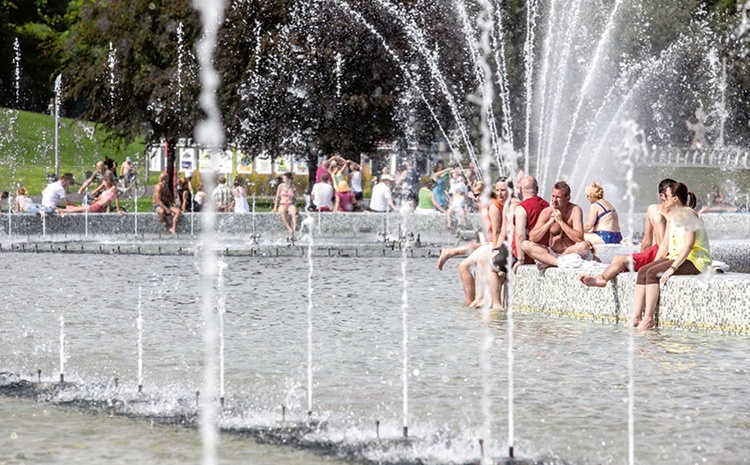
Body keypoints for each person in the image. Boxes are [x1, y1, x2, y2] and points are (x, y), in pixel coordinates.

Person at [630, 181, 711, 330]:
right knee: (644, 271)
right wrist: (651, 264)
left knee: (654, 273)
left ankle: (648, 319)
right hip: (677, 256)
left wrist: (672, 269)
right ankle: (636, 317)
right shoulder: (672, 217)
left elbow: (689, 245)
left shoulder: (689, 214)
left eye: (665, 196)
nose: (662, 199)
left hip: (695, 260)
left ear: (675, 199)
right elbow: (664, 246)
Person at [580, 178, 675, 288]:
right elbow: (647, 239)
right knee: (617, 258)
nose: (675, 199)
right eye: (674, 195)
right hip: (651, 252)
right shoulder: (653, 209)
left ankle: (602, 278)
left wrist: (651, 265)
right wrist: (640, 256)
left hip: (659, 256)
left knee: (620, 259)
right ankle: (604, 277)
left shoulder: (665, 216)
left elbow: (664, 247)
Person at [521, 180, 590, 269]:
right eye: (553, 196)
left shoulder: (575, 210)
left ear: (567, 198)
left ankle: (550, 262)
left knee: (584, 246)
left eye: (558, 197)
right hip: (554, 254)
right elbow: (533, 238)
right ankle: (556, 262)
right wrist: (549, 223)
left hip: (572, 253)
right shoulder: (547, 212)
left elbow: (579, 238)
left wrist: (561, 222)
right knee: (525, 245)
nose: (554, 200)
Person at [511, 176, 550, 273]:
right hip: (542, 254)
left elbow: (520, 235)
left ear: (520, 190)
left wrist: (520, 260)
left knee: (488, 264)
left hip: (527, 256)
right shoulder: (546, 205)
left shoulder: (521, 208)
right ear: (537, 189)